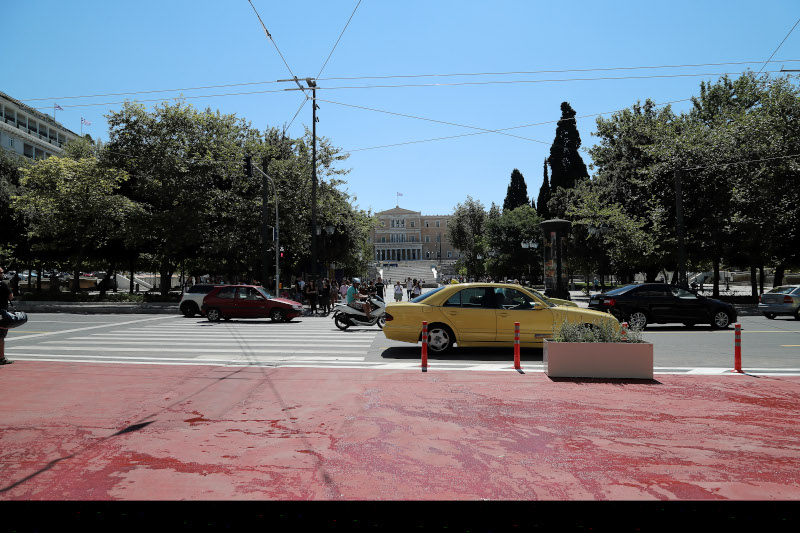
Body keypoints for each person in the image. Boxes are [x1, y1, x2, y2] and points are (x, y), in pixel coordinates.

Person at [0, 266, 14, 365]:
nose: (2, 274)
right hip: (1, 313)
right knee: (1, 336)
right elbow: (11, 296)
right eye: (1, 273)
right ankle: (1, 358)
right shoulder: (3, 284)